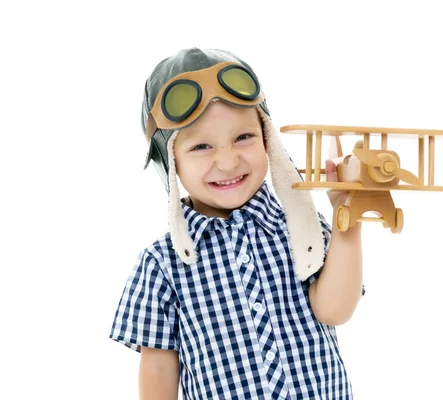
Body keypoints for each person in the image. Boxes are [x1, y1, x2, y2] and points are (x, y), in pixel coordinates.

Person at [109, 47, 365, 400]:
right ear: (171, 163)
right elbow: (158, 366)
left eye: (243, 137)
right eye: (201, 146)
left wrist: (346, 222)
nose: (228, 162)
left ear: (267, 139)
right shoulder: (161, 264)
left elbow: (333, 310)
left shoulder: (300, 228)